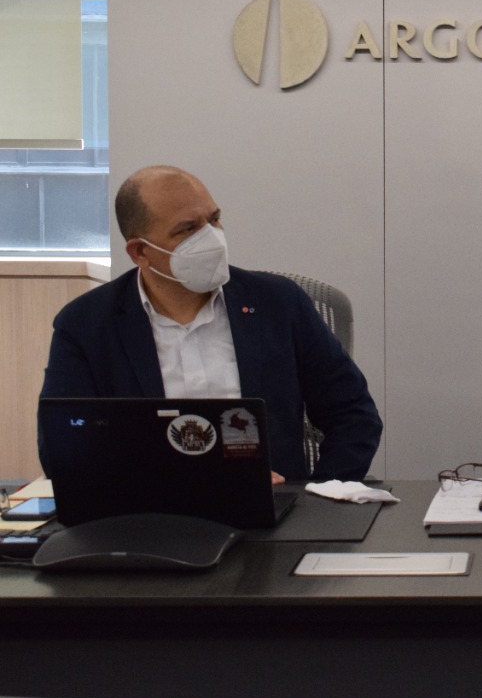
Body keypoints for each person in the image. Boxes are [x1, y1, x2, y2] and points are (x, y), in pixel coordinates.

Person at [39, 165, 382, 483]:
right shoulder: (85, 325)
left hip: (273, 514)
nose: (212, 238)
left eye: (214, 219)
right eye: (188, 229)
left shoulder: (279, 303)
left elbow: (353, 415)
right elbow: (62, 448)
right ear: (140, 252)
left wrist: (316, 498)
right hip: (150, 516)